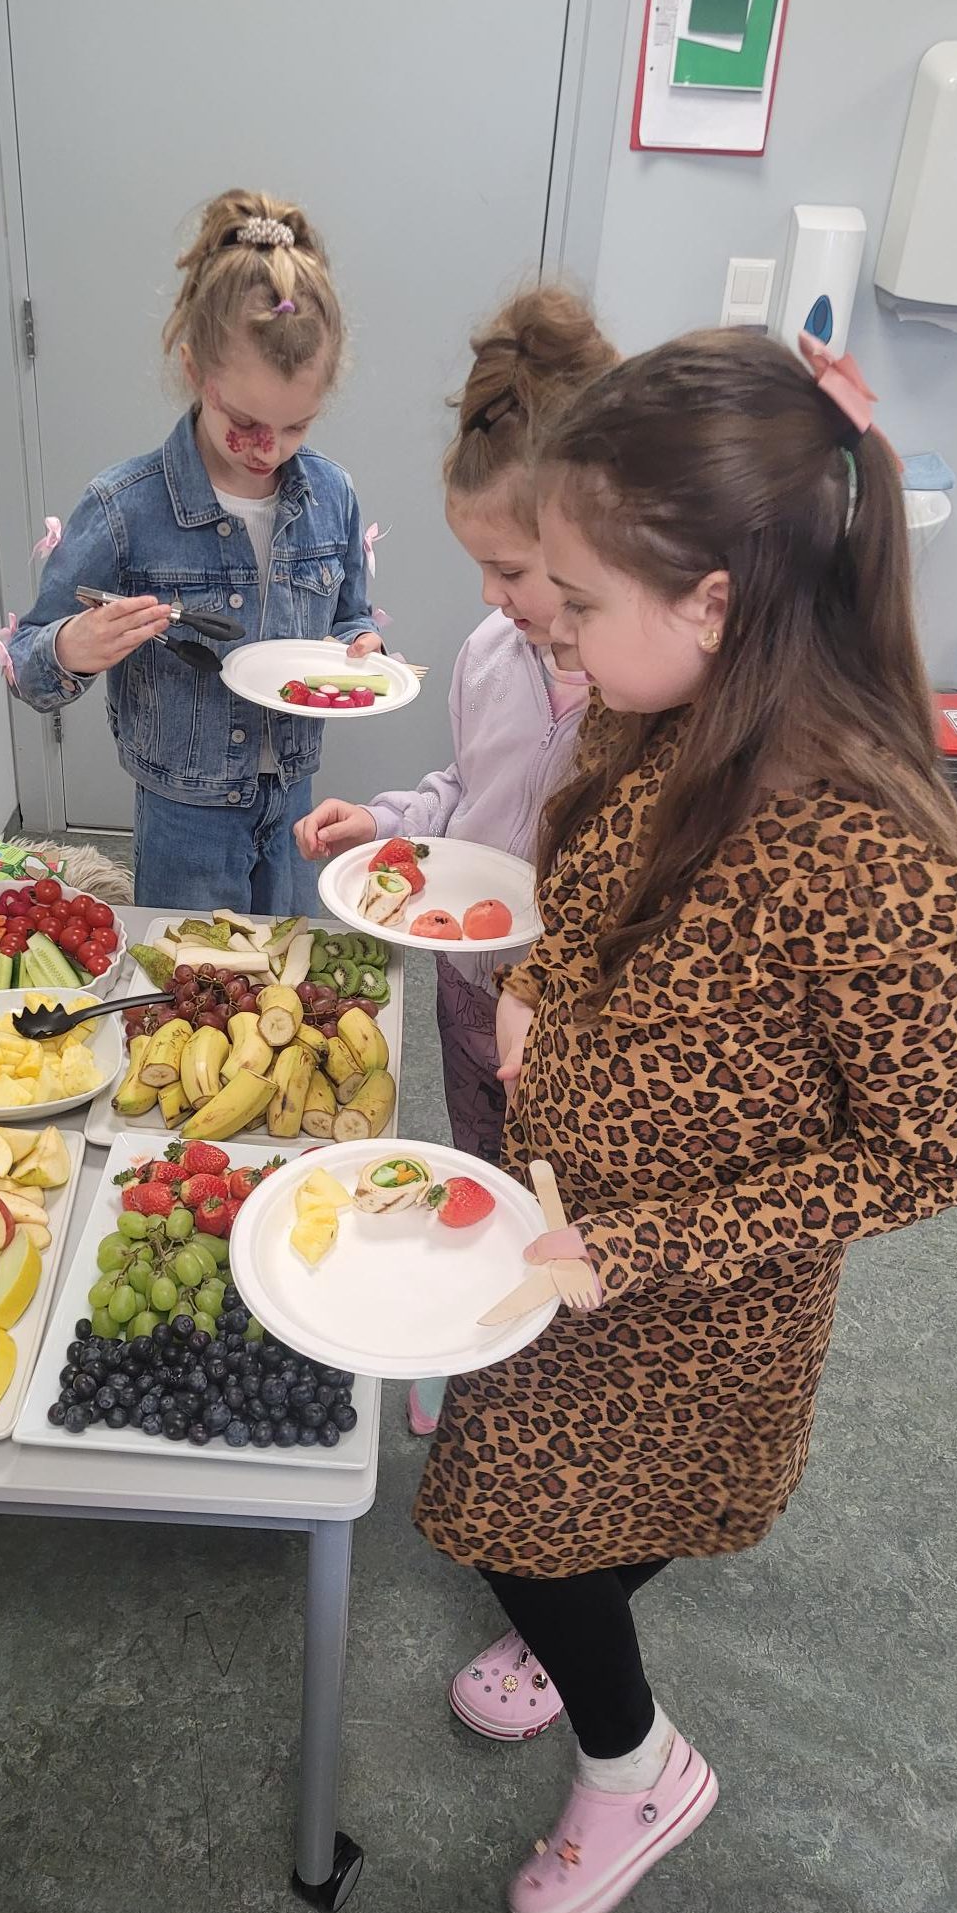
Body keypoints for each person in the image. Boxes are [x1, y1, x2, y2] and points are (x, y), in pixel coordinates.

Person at [413, 327, 957, 1913]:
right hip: (572, 1217)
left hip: (685, 1299)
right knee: (539, 1509)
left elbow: (927, 1148)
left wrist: (652, 1241)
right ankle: (574, 1624)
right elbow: (583, 879)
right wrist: (538, 991)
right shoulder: (660, 707)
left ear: (712, 598)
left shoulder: (870, 850)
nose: (551, 630)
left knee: (516, 1511)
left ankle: (635, 1764)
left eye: (578, 602)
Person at [294, 288, 618, 1435]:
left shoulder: (638, 698)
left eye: (514, 570)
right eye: (480, 566)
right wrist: (387, 823)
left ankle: (544, 1373)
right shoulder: (489, 651)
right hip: (466, 979)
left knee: (564, 1196)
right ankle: (477, 1339)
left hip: (573, 1017)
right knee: (476, 1157)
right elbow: (463, 798)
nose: (490, 596)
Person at [6, 189, 382, 910]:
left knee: (290, 963)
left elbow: (349, 618)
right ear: (193, 370)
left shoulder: (331, 495)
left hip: (295, 802)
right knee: (187, 967)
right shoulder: (124, 508)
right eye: (245, 419)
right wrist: (74, 647)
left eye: (296, 427)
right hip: (184, 815)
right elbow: (25, 665)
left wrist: (361, 647)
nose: (268, 448)